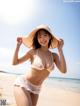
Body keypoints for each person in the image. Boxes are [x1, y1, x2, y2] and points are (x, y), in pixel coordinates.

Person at [12, 24, 67, 106]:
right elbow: (15, 62)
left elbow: (63, 70)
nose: (42, 39)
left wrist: (60, 50)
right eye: (39, 37)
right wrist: (17, 46)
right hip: (23, 84)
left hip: (36, 89)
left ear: (49, 37)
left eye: (45, 35)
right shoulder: (33, 51)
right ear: (37, 39)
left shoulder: (54, 56)